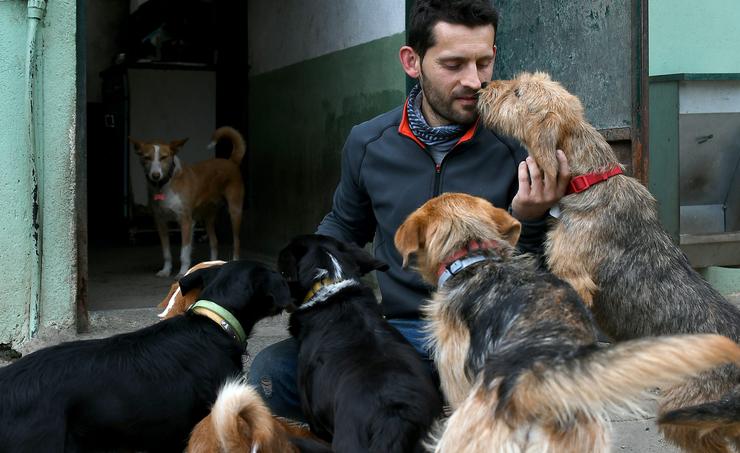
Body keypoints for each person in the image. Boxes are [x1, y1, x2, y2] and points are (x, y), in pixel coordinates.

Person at [248, 0, 570, 422]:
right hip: (400, 332)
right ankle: (421, 406)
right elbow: (344, 228)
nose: (474, 81)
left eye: (484, 62)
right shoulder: (369, 142)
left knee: (550, 385)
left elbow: (544, 277)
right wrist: (301, 281)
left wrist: (530, 219)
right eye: (454, 64)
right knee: (274, 373)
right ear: (412, 62)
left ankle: (408, 411)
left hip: (486, 332)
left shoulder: (515, 146)